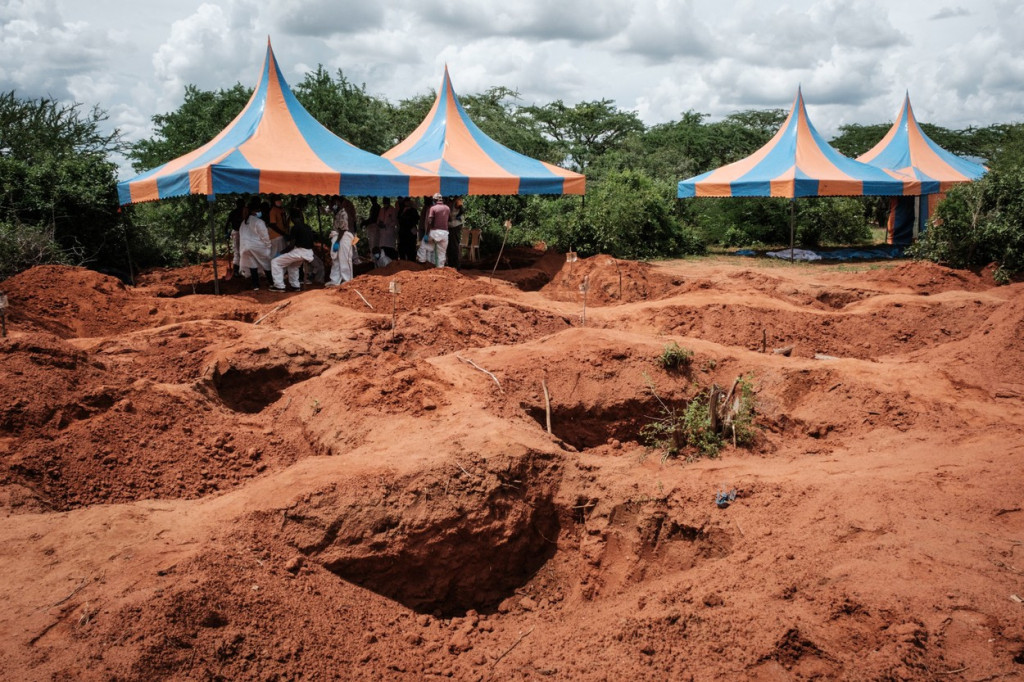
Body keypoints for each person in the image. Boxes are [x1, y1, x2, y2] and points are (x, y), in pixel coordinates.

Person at [269, 207, 317, 292]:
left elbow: (291, 246)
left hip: (299, 252)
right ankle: (295, 286)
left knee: (275, 262)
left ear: (292, 218)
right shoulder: (307, 227)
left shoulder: (295, 227)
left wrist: (281, 252)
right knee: (293, 266)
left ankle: (279, 286)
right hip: (309, 252)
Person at [239, 197, 272, 290]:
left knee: (252, 265)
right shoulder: (259, 222)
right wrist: (268, 246)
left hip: (245, 247)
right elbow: (264, 236)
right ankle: (272, 282)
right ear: (256, 211)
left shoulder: (243, 222)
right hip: (257, 246)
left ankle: (255, 285)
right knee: (266, 263)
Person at [326, 196, 354, 286]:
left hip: (344, 237)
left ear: (338, 202)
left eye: (334, 203)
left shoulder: (343, 213)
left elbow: (343, 229)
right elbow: (326, 210)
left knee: (345, 259)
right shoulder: (337, 212)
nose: (332, 205)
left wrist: (337, 241)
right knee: (336, 259)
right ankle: (335, 281)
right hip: (338, 236)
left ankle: (348, 280)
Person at [417, 193, 451, 267]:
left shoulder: (433, 208)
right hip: (445, 233)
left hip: (435, 232)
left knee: (423, 244)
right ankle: (440, 267)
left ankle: (422, 260)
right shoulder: (447, 208)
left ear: (434, 200)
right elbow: (450, 219)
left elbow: (430, 222)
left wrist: (426, 234)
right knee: (442, 252)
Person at [225, 197, 248, 277]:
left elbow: (227, 224)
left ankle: (240, 270)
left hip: (241, 232)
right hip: (239, 233)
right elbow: (227, 224)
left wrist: (226, 233)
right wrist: (226, 233)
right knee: (239, 251)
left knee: (239, 251)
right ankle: (236, 270)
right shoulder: (240, 212)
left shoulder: (236, 212)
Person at [374, 197, 399, 266]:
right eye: (384, 201)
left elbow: (395, 221)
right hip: (382, 233)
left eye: (386, 201)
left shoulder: (393, 210)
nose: (385, 203)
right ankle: (383, 265)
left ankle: (393, 265)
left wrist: (387, 225)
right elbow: (378, 219)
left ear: (389, 201)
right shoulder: (381, 210)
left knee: (390, 250)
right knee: (383, 250)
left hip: (389, 233)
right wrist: (379, 224)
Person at [446, 197, 465, 270]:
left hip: (455, 225)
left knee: (454, 245)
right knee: (450, 246)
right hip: (451, 225)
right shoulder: (452, 201)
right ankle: (451, 264)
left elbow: (462, 209)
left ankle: (456, 264)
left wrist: (457, 216)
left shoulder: (458, 200)